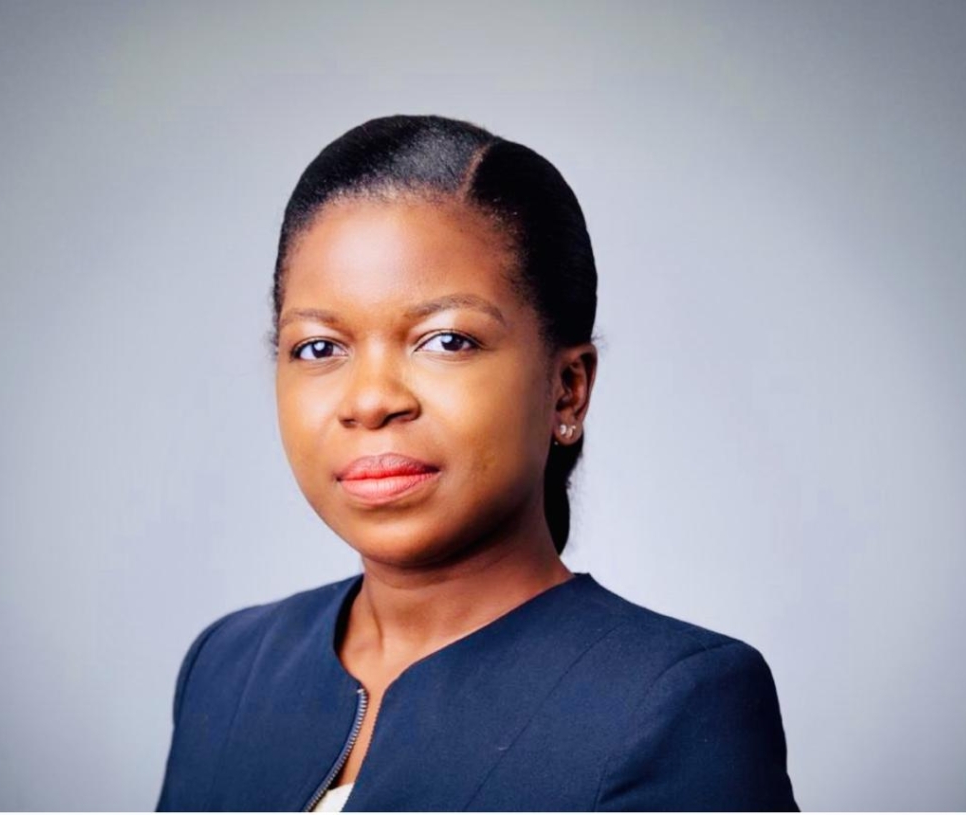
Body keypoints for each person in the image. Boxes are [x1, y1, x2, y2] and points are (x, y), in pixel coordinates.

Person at [155, 114, 798, 812]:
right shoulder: (228, 668)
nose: (370, 400)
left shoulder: (675, 702)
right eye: (319, 348)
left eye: (447, 340)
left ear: (567, 388)